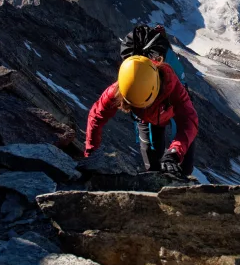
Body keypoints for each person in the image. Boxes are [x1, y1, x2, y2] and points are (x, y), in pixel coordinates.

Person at [84, 26, 198, 176]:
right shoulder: (121, 88)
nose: (145, 107)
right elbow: (96, 116)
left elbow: (188, 122)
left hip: (168, 109)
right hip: (147, 120)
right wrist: (90, 153)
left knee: (184, 168)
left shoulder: (173, 85)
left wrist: (174, 152)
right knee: (153, 168)